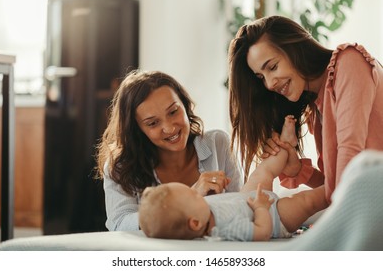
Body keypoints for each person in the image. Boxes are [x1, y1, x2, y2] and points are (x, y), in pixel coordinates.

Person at [228, 15, 383, 203]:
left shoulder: (349, 61)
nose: (269, 84)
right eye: (261, 77)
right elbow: (336, 190)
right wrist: (298, 170)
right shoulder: (316, 108)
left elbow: (350, 157)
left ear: (295, 49)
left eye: (272, 67)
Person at [96, 70, 244, 231]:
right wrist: (188, 198)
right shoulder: (120, 166)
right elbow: (119, 224)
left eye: (173, 112)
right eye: (152, 123)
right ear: (137, 129)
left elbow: (241, 206)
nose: (169, 128)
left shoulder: (218, 143)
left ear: (185, 105)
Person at [139, 115, 328, 240]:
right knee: (306, 201)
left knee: (263, 171)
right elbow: (261, 232)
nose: (199, 195)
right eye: (195, 196)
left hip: (247, 197)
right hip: (274, 216)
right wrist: (262, 208)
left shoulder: (199, 212)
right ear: (195, 223)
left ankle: (287, 145)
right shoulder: (223, 230)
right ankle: (337, 188)